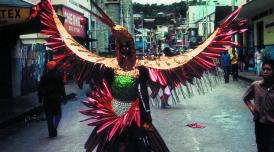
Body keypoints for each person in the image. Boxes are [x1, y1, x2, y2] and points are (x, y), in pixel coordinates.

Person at [243, 59, 274, 152]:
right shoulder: (256, 86)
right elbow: (246, 98)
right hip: (260, 124)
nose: (265, 71)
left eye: (269, 69)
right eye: (264, 69)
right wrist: (253, 110)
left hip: (272, 126)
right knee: (261, 147)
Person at [38, 61, 66, 138]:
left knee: (49, 116)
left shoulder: (44, 77)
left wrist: (40, 100)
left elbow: (40, 89)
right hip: (56, 99)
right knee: (58, 114)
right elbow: (61, 88)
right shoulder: (58, 76)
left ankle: (51, 131)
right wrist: (64, 97)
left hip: (47, 99)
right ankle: (55, 128)